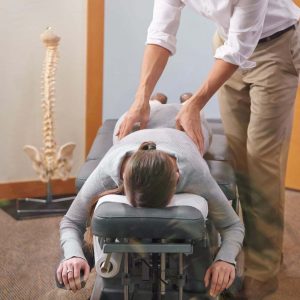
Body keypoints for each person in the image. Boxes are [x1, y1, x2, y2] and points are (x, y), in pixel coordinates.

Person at [116, 1, 300, 299]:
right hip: (228, 45)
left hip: (276, 47)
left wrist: (195, 103)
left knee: (261, 164)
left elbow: (241, 47)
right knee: (239, 163)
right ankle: (258, 252)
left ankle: (263, 273)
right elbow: (161, 34)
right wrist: (142, 98)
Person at [57, 97, 244, 298]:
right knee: (124, 129)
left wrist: (225, 259)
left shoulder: (194, 171)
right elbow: (70, 221)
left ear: (177, 177)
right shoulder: (110, 169)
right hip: (137, 128)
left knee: (199, 134)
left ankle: (187, 102)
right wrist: (73, 256)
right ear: (123, 177)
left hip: (181, 128)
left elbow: (233, 226)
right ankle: (154, 102)